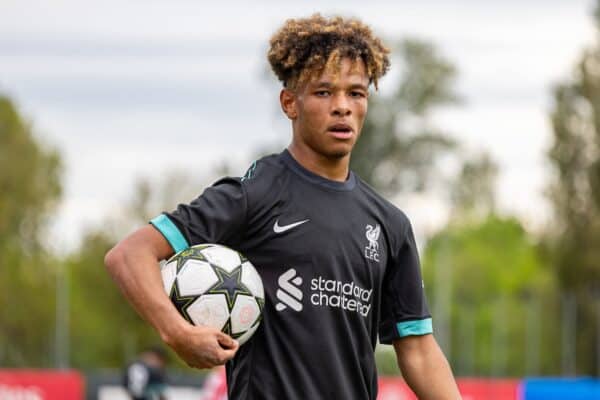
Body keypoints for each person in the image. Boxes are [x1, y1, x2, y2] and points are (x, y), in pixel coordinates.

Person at [105, 14, 461, 399]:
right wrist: (177, 332)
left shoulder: (390, 224)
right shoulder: (256, 194)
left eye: (355, 93)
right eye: (324, 92)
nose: (342, 106)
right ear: (290, 103)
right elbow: (129, 255)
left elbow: (420, 351)